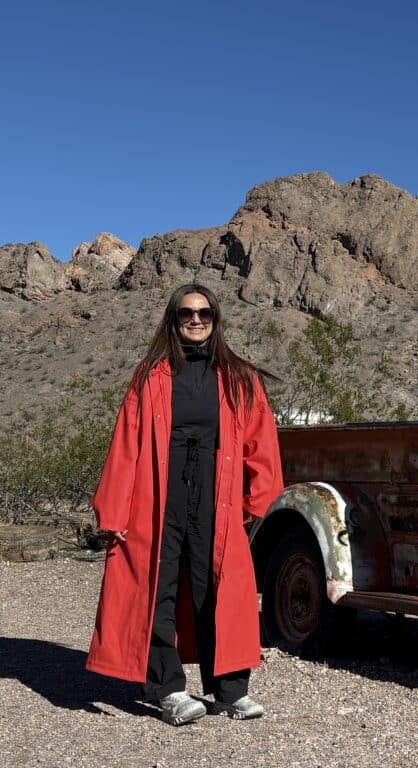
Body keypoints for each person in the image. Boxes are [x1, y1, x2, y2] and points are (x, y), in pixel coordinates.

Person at [86, 284, 284, 725]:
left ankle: (230, 691)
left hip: (218, 492)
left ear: (216, 319)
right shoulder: (150, 375)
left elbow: (261, 441)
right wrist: (115, 511)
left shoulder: (239, 376)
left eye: (204, 313)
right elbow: (126, 445)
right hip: (157, 493)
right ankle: (168, 688)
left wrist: (258, 501)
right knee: (159, 587)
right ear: (172, 321)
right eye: (186, 314)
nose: (196, 320)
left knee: (219, 586)